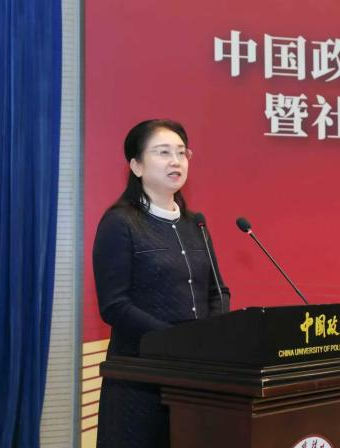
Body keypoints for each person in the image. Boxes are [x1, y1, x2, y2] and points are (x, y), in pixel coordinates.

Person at [92, 119, 229, 448]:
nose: (175, 161)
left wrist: (210, 335)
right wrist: (173, 340)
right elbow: (114, 305)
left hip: (195, 378)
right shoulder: (120, 223)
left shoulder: (195, 224)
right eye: (163, 152)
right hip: (139, 377)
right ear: (136, 166)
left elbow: (218, 291)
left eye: (182, 153)